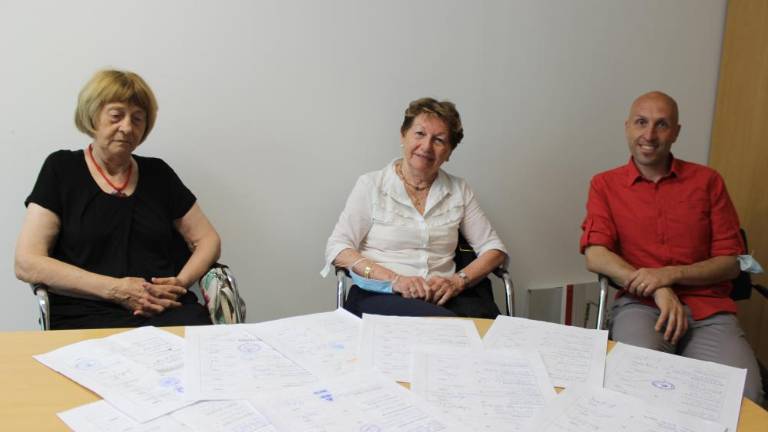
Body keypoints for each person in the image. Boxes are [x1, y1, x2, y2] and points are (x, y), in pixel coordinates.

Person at [580, 91, 763, 403]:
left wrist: (669, 275)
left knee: (744, 398)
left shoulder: (708, 181)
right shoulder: (605, 184)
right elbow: (596, 254)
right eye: (641, 122)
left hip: (708, 310)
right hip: (641, 307)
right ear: (627, 127)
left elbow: (731, 263)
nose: (649, 135)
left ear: (676, 132)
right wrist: (658, 289)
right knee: (636, 387)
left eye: (661, 124)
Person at [14, 69, 221, 329]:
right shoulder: (61, 169)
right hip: (85, 312)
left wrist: (179, 283)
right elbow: (27, 262)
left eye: (137, 118)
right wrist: (115, 289)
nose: (127, 127)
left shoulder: (159, 174)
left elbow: (208, 240)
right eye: (116, 116)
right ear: (93, 116)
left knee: (201, 348)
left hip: (163, 309)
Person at [322, 97, 508, 318]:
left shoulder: (459, 190)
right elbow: (338, 248)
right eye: (420, 134)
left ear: (449, 152)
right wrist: (395, 280)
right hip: (381, 295)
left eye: (439, 140)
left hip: (443, 299)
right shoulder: (371, 185)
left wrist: (458, 281)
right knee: (448, 327)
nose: (426, 146)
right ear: (403, 135)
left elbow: (493, 249)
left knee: (490, 329)